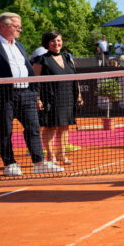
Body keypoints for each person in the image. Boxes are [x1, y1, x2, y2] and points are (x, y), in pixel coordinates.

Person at [0, 12, 64, 176]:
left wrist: (34, 92)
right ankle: (10, 163)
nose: (20, 29)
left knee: (33, 128)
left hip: (26, 93)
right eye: (16, 26)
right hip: (3, 95)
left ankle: (39, 162)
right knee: (4, 130)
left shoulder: (19, 45)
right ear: (2, 26)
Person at [32, 30, 83, 166]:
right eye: (53, 41)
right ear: (47, 43)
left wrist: (78, 94)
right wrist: (37, 99)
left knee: (64, 127)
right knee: (50, 127)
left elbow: (75, 78)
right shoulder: (40, 60)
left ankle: (61, 155)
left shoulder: (68, 58)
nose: (56, 43)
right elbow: (35, 82)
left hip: (67, 97)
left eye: (59, 40)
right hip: (49, 98)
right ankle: (50, 156)